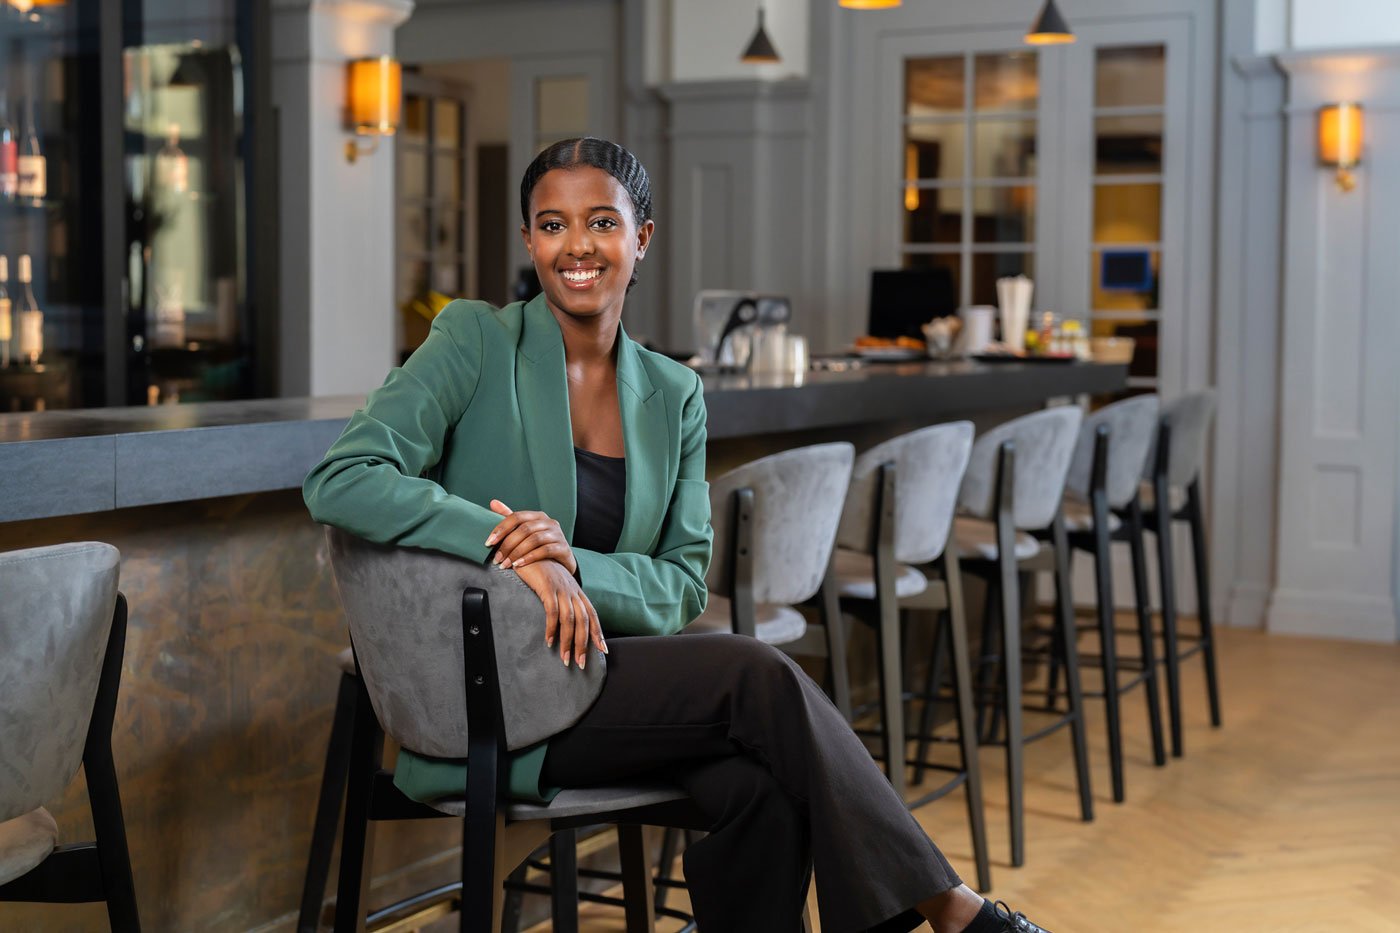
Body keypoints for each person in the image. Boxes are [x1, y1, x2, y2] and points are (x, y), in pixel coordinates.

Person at [304, 137, 1052, 933]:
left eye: (601, 222)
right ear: (529, 241)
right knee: (753, 672)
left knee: (761, 790)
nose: (577, 246)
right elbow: (342, 478)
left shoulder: (675, 391)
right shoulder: (475, 342)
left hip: (609, 677)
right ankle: (956, 911)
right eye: (552, 225)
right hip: (491, 693)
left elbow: (684, 581)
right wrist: (516, 544)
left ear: (642, 237)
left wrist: (571, 565)